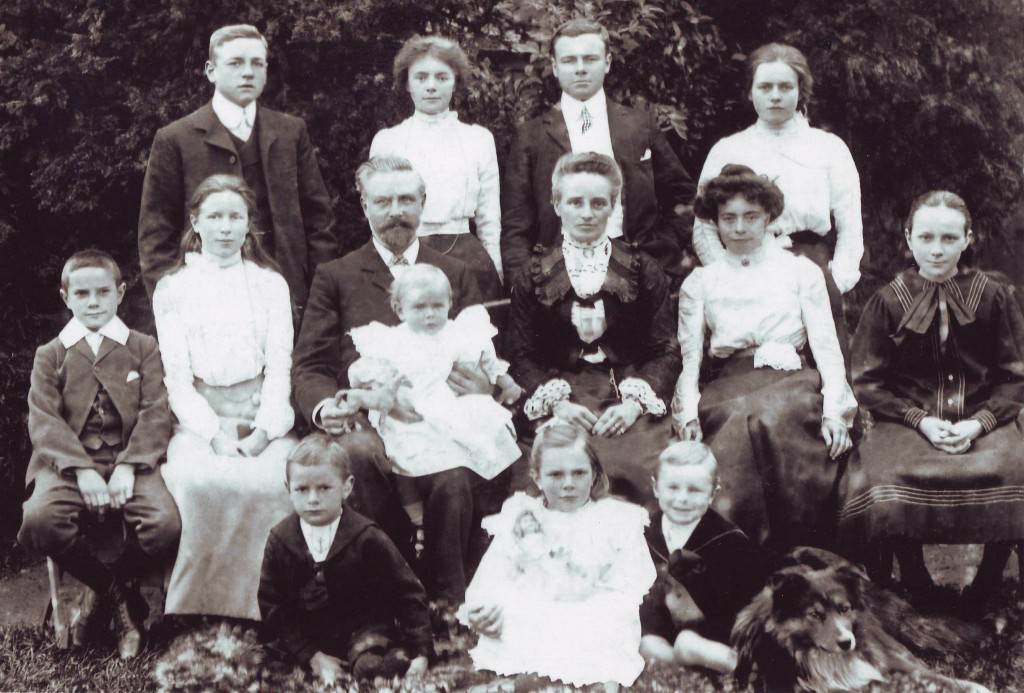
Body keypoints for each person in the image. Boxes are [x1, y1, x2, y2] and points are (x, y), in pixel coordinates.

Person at [292, 155, 498, 603]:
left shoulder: (457, 273)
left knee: (454, 475)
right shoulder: (337, 275)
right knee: (360, 454)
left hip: (442, 414)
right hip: (367, 416)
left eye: (407, 199)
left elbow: (480, 349)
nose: (396, 211)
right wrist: (329, 407)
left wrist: (486, 385)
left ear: (424, 203)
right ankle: (385, 594)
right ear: (364, 206)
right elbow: (311, 365)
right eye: (383, 200)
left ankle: (448, 602)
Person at [841, 191, 1024, 613]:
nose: (937, 249)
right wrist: (920, 421)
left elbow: (1016, 377)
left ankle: (988, 581)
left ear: (968, 238)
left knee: (1016, 471)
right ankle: (916, 577)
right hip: (909, 424)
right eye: (925, 237)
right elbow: (867, 381)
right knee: (881, 478)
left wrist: (979, 423)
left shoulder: (994, 296)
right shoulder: (888, 301)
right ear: (908, 239)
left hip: (984, 422)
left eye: (948, 237)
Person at [672, 165, 856, 549]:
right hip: (729, 384)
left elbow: (826, 347)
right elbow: (690, 359)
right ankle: (731, 554)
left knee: (762, 416)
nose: (739, 228)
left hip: (792, 381)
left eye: (751, 217)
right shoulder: (701, 282)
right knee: (739, 414)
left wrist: (837, 410)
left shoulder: (801, 271)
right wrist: (687, 411)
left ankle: (788, 548)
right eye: (728, 218)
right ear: (715, 222)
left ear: (769, 217)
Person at [19, 250, 180, 658]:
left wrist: (129, 464)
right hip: (69, 465)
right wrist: (82, 471)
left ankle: (97, 599)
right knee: (41, 519)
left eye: (103, 292)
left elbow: (156, 411)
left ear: (121, 293)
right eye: (83, 293)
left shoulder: (142, 347)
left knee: (163, 525)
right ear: (65, 296)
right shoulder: (50, 354)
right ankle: (119, 597)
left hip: (131, 461)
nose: (93, 302)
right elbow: (44, 422)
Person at [153, 174, 296, 619]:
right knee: (200, 482)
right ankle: (197, 608)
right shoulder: (173, 288)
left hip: (261, 415)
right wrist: (213, 435)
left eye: (236, 216)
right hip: (200, 420)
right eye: (215, 217)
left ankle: (265, 608)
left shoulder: (269, 283)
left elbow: (281, 364)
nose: (225, 228)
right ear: (195, 222)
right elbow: (176, 379)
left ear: (249, 223)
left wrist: (265, 431)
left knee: (273, 481)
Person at [507, 152, 679, 504]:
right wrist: (556, 405)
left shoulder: (642, 269)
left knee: (633, 467)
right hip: (561, 396)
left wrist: (634, 404)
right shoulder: (533, 273)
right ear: (557, 204)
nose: (586, 213)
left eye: (598, 203)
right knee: (552, 469)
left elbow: (666, 349)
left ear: (613, 205)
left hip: (625, 394)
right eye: (575, 202)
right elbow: (522, 354)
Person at [139, 24, 338, 318]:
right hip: (205, 304)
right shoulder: (176, 138)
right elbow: (156, 235)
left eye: (257, 63)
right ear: (210, 70)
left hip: (286, 298)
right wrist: (173, 305)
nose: (248, 72)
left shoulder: (290, 132)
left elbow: (319, 220)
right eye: (235, 63)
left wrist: (318, 297)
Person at [501, 18, 695, 285]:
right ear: (555, 68)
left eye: (590, 58)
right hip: (560, 276)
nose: (580, 69)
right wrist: (524, 283)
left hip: (636, 272)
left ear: (607, 62)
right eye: (569, 61)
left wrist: (658, 256)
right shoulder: (531, 135)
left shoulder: (640, 124)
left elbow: (682, 196)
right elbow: (516, 223)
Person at [461, 424, 656, 691]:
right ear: (537, 477)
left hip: (596, 615)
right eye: (555, 474)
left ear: (594, 474)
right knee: (527, 619)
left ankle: (589, 682)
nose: (568, 484)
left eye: (579, 473)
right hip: (536, 613)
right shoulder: (523, 516)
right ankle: (537, 680)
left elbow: (631, 583)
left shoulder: (616, 519)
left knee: (604, 630)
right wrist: (490, 610)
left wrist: (585, 605)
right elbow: (493, 574)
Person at [691, 43, 862, 344]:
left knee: (821, 371)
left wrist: (837, 280)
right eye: (765, 86)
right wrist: (727, 274)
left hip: (812, 270)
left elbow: (850, 224)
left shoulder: (828, 147)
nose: (775, 95)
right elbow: (704, 226)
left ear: (801, 89)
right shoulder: (728, 149)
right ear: (750, 91)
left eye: (785, 86)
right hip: (745, 268)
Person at [344, 264, 522, 553]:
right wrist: (376, 390)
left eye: (438, 306)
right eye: (420, 307)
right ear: (399, 310)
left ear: (450, 303)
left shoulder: (460, 333)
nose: (430, 314)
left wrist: (506, 383)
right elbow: (367, 373)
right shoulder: (392, 340)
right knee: (405, 456)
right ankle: (417, 521)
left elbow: (489, 362)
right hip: (412, 412)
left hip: (452, 407)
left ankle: (484, 516)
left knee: (482, 440)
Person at [258, 434, 432, 684]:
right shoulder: (280, 539)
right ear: (289, 489)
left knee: (371, 667)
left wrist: (421, 653)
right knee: (254, 663)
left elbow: (409, 594)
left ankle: (377, 659)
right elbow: (273, 605)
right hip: (308, 635)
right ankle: (319, 663)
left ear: (347, 487)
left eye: (324, 488)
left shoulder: (367, 536)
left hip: (361, 630)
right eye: (302, 489)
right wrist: (312, 655)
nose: (313, 499)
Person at [370, 36, 503, 299]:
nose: (431, 86)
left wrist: (495, 263)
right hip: (406, 252)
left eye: (442, 77)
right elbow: (377, 215)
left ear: (456, 81)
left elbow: (489, 215)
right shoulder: (388, 141)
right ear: (407, 83)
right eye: (421, 77)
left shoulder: (478, 139)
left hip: (467, 255)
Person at [639, 441, 782, 674]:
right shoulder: (645, 531)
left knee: (693, 640)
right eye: (672, 488)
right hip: (664, 627)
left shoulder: (727, 539)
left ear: (713, 493)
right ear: (656, 488)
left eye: (695, 490)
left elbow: (742, 601)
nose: (682, 498)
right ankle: (680, 658)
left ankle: (712, 655)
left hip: (713, 628)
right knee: (648, 644)